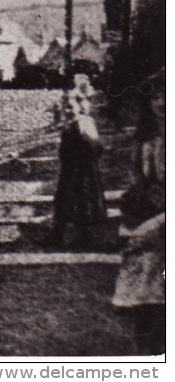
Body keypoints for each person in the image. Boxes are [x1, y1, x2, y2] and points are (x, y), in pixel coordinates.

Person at [113, 70, 165, 355]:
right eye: (155, 95)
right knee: (147, 313)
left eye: (167, 94)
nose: (161, 102)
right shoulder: (148, 142)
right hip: (152, 240)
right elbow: (137, 184)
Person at [50, 74, 107, 246]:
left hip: (82, 171)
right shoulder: (71, 124)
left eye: (70, 106)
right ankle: (59, 234)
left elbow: (97, 148)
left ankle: (82, 235)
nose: (67, 109)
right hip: (70, 170)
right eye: (64, 106)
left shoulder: (83, 123)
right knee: (65, 199)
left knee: (80, 200)